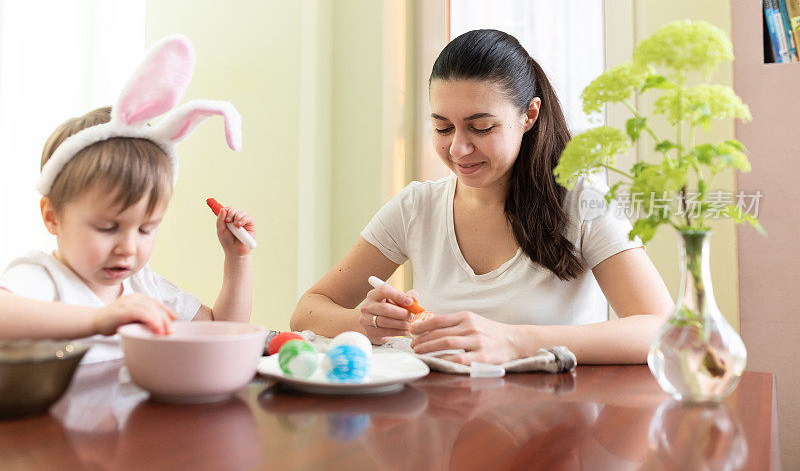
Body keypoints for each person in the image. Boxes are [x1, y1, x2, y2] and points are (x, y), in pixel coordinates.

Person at [291, 29, 674, 365]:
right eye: (443, 128)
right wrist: (367, 323)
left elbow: (662, 330)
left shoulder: (582, 201)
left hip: (559, 429)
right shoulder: (416, 208)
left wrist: (514, 340)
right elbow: (307, 311)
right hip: (448, 429)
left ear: (529, 115)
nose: (458, 149)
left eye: (481, 127)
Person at [0, 35, 256, 363]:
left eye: (146, 229)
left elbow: (223, 332)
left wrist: (237, 261)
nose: (128, 248)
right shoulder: (42, 277)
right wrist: (98, 320)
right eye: (108, 227)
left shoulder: (142, 285)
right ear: (51, 217)